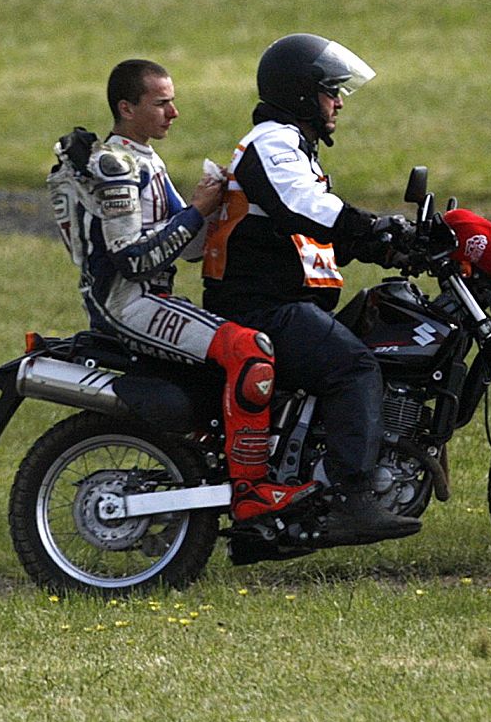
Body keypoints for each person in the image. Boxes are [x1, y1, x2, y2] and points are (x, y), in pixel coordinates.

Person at [48, 59, 318, 522]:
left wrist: (227, 204)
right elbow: (131, 259)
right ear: (126, 108)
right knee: (250, 351)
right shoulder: (116, 166)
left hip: (151, 299)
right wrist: (196, 211)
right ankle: (251, 489)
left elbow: (190, 247)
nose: (173, 113)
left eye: (173, 101)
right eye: (162, 103)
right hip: (127, 304)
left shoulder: (145, 160)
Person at [201, 33, 422, 548]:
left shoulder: (293, 149)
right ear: (302, 95)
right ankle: (352, 498)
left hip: (284, 304)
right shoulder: (271, 144)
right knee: (354, 366)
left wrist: (393, 247)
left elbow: (314, 236)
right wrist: (376, 228)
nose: (339, 102)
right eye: (330, 92)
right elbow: (303, 208)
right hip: (263, 310)